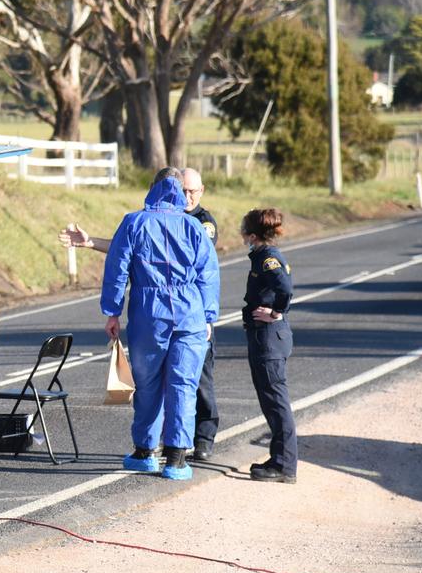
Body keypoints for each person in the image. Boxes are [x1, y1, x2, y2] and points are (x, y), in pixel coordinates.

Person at [59, 167, 222, 461]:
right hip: (190, 313)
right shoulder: (193, 226)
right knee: (183, 384)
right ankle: (177, 457)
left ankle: (146, 449)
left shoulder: (134, 222)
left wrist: (112, 312)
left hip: (149, 311)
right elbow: (208, 275)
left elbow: (117, 269)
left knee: (148, 383)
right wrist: (209, 316)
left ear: (152, 188)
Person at [240, 208, 297, 483]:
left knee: (276, 402)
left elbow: (284, 288)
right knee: (272, 401)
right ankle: (278, 459)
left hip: (269, 337)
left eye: (243, 230)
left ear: (252, 235)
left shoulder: (267, 258)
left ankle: (284, 466)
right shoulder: (263, 257)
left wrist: (276, 312)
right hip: (267, 337)